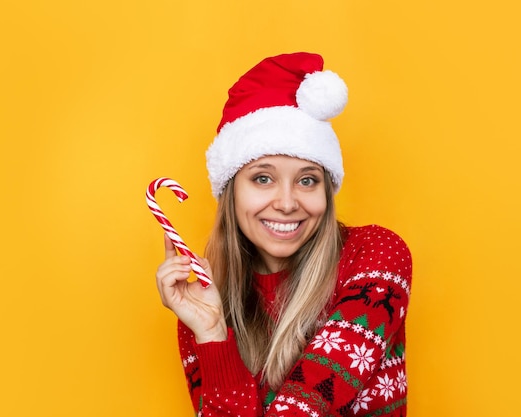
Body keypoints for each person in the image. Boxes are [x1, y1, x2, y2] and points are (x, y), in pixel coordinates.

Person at [155, 52, 412, 417]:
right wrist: (212, 332)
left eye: (307, 180)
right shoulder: (204, 301)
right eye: (263, 178)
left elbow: (306, 405)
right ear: (231, 191)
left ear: (326, 190)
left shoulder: (376, 255)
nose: (288, 203)